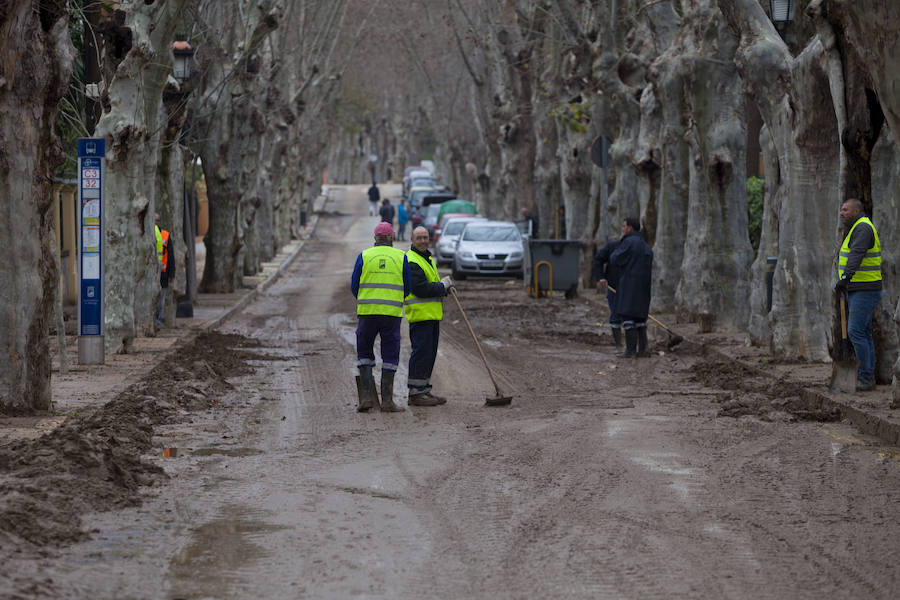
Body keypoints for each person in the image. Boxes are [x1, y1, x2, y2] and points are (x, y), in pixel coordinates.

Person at [350, 222, 410, 412]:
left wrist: (367, 299)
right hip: (391, 314)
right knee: (390, 354)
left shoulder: (364, 256)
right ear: (391, 238)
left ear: (375, 239)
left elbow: (354, 285)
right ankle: (387, 401)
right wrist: (395, 299)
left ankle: (367, 398)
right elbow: (407, 286)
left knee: (364, 351)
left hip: (367, 313)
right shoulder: (401, 257)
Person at [834, 198, 882, 392]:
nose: (841, 213)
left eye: (845, 210)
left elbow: (857, 254)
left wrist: (845, 277)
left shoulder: (862, 228)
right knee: (864, 333)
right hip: (859, 288)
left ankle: (866, 377)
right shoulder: (857, 228)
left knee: (854, 331)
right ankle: (868, 375)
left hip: (865, 289)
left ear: (855, 211)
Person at [405, 225, 454, 406]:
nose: (423, 241)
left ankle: (424, 389)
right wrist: (442, 287)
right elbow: (420, 288)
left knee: (429, 354)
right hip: (420, 316)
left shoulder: (427, 258)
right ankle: (416, 393)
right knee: (421, 354)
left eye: (425, 237)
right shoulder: (412, 260)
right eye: (419, 238)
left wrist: (444, 289)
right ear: (412, 240)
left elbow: (431, 283)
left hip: (431, 315)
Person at [610, 217, 653, 358]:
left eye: (623, 226)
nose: (622, 229)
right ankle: (643, 350)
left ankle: (630, 350)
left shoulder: (628, 242)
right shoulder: (645, 245)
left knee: (627, 316)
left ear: (630, 228)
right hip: (644, 286)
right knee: (640, 318)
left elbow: (615, 258)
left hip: (629, 285)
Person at [593, 237, 623, 349]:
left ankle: (634, 346)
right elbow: (598, 259)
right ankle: (619, 345)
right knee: (615, 314)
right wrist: (601, 277)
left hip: (632, 287)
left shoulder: (638, 246)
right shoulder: (613, 246)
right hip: (613, 286)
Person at [154, 213, 175, 326]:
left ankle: (159, 320)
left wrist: (172, 273)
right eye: (153, 220)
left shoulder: (165, 235)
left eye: (157, 220)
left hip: (163, 273)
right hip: (150, 275)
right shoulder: (144, 234)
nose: (155, 223)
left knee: (161, 300)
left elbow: (171, 256)